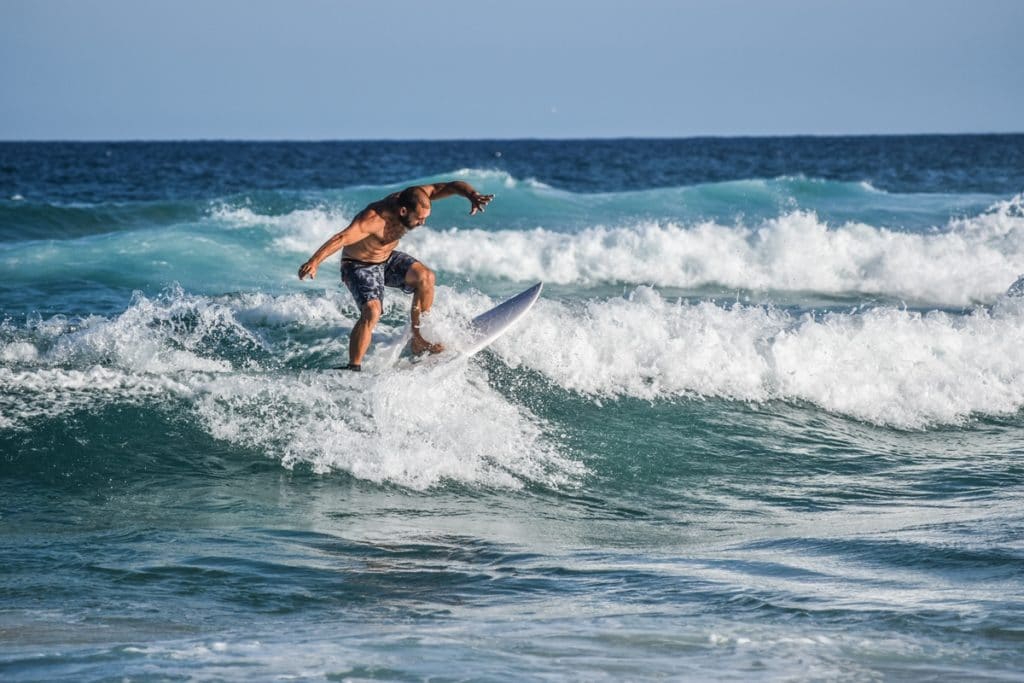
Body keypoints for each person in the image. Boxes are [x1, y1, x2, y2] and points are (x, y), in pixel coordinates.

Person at [298, 181, 494, 370]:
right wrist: (314, 262)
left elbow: (446, 186)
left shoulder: (416, 197)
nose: (423, 222)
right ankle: (353, 366)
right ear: (403, 211)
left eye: (425, 217)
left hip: (387, 259)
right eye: (419, 219)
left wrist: (471, 194)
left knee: (426, 277)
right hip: (359, 266)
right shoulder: (373, 219)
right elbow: (341, 238)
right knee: (372, 311)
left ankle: (418, 339)